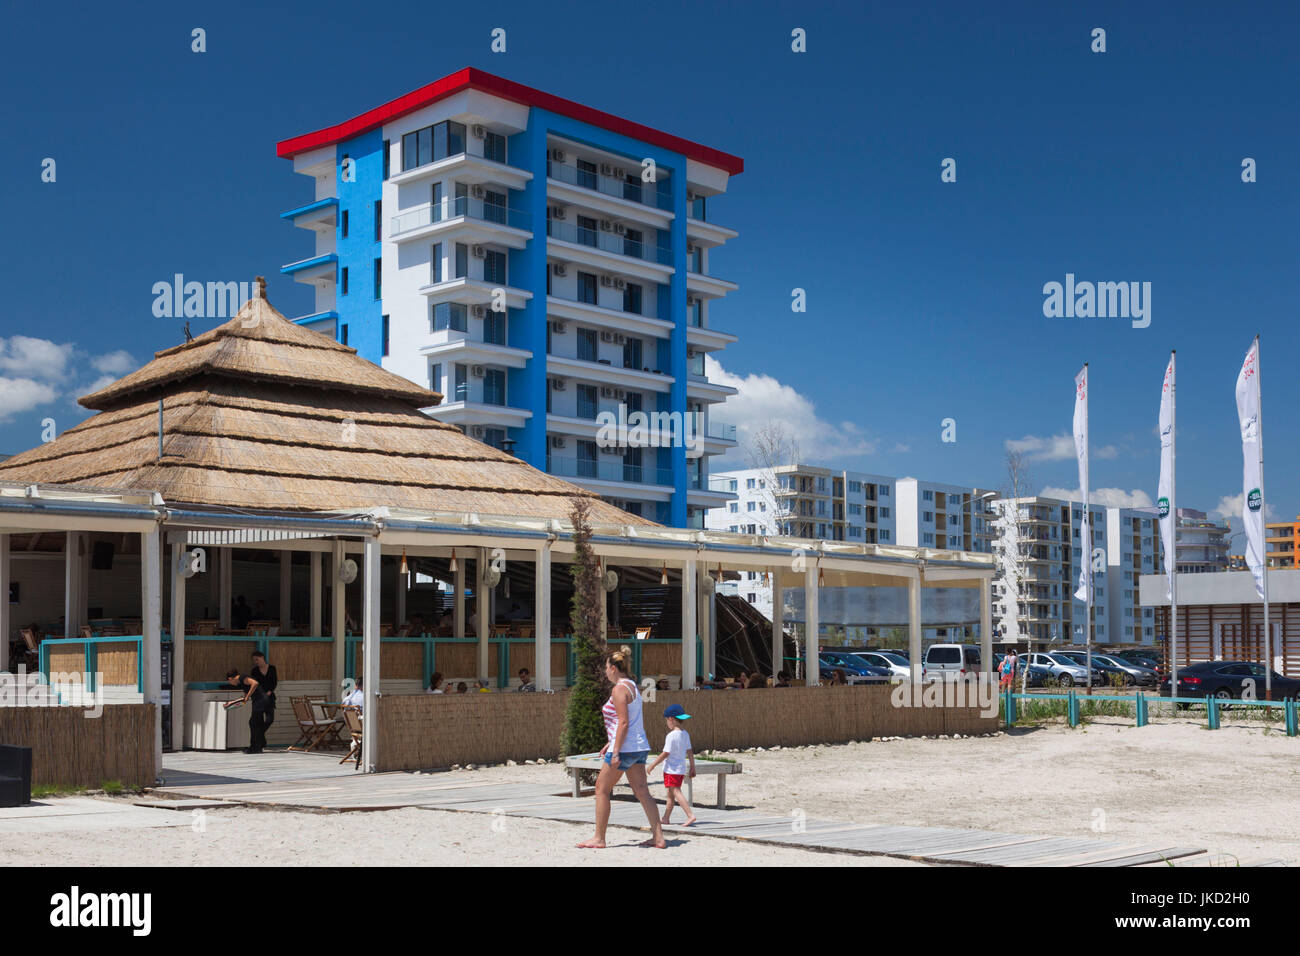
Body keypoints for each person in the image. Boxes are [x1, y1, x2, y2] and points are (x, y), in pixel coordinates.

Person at [577, 645, 667, 850]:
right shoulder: (633, 686)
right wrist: (611, 741)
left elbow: (624, 722)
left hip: (625, 748)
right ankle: (659, 837)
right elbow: (628, 722)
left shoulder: (618, 689)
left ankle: (599, 837)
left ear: (614, 668)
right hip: (638, 746)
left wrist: (615, 750)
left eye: (606, 667)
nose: (605, 671)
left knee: (601, 789)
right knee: (643, 791)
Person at [646, 704, 696, 826]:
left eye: (666, 720)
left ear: (670, 719)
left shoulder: (671, 735)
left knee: (676, 792)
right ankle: (666, 818)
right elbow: (690, 752)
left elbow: (665, 753)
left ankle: (690, 815)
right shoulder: (685, 734)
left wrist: (652, 764)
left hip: (671, 770)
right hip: (680, 769)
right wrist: (693, 767)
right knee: (670, 796)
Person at [223, 668, 269, 754]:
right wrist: (231, 703)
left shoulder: (242, 677)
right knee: (256, 723)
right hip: (258, 701)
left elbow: (255, 683)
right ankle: (259, 745)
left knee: (253, 723)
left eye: (230, 682)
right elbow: (244, 699)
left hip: (261, 700)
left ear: (230, 678)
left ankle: (255, 747)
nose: (231, 684)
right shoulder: (242, 684)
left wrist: (248, 696)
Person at [250, 651, 278, 738]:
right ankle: (260, 740)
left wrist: (269, 692)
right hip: (259, 698)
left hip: (269, 697)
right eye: (254, 660)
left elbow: (274, 682)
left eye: (257, 659)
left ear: (262, 657)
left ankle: (259, 734)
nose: (256, 662)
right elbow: (254, 684)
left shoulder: (272, 668)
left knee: (270, 719)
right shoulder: (254, 671)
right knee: (258, 720)